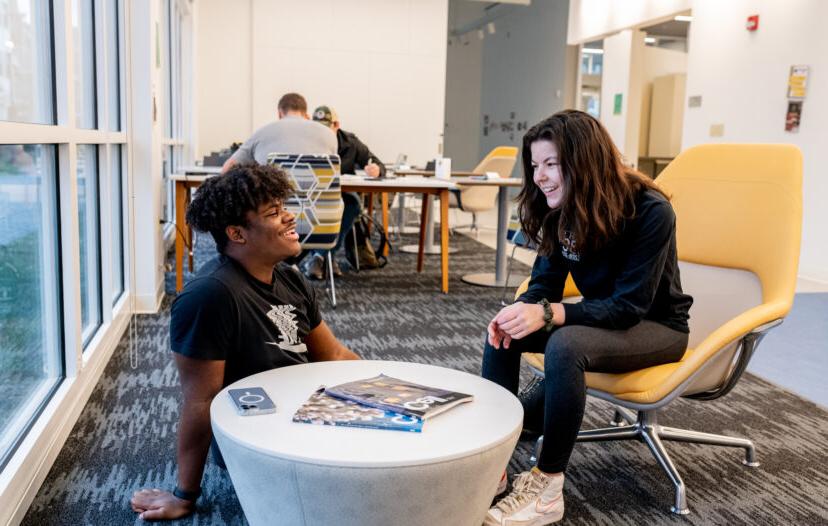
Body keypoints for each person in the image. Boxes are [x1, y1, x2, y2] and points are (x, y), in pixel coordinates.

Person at [481, 110, 692, 526]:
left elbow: (629, 307)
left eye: (551, 164)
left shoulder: (651, 211)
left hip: (656, 328)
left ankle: (548, 486)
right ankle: (494, 468)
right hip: (604, 321)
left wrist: (550, 314)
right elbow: (545, 283)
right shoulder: (561, 207)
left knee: (566, 343)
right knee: (505, 333)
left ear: (584, 161)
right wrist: (524, 311)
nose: (539, 177)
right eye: (536, 166)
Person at [130, 164, 359, 521]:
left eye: (284, 207)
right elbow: (199, 399)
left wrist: (386, 385)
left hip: (306, 406)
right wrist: (184, 495)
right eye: (273, 213)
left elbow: (333, 354)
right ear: (237, 233)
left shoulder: (290, 279)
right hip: (261, 431)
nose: (289, 218)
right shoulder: (209, 297)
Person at [304, 105, 387, 280]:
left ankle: (319, 257)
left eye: (326, 128)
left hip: (340, 197)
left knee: (353, 204)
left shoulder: (350, 142)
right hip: (311, 196)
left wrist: (376, 169)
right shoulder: (305, 140)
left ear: (336, 125)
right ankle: (327, 256)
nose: (322, 133)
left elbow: (378, 163)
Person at [221, 92, 336, 173]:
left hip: (273, 206)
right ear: (305, 113)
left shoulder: (262, 132)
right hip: (318, 206)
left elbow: (228, 168)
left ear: (280, 113)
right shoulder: (329, 134)